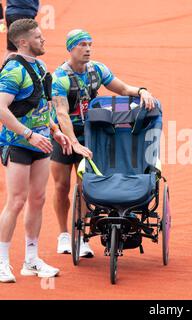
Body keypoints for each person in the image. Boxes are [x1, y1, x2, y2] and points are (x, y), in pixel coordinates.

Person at [51, 29, 156, 256]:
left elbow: (123, 88)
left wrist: (142, 91)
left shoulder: (97, 69)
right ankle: (63, 235)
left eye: (90, 44)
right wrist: (73, 142)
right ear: (70, 48)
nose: (88, 49)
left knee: (85, 187)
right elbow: (61, 113)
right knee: (61, 187)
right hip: (64, 136)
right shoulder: (59, 78)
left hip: (92, 135)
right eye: (82, 45)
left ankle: (81, 237)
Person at [0, 19, 71, 283]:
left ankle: (31, 260)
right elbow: (1, 109)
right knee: (16, 201)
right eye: (39, 37)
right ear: (23, 42)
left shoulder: (40, 67)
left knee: (38, 199)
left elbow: (41, 106)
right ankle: (2, 261)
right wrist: (28, 134)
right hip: (18, 143)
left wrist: (55, 130)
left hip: (42, 142)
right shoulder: (12, 71)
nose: (44, 40)